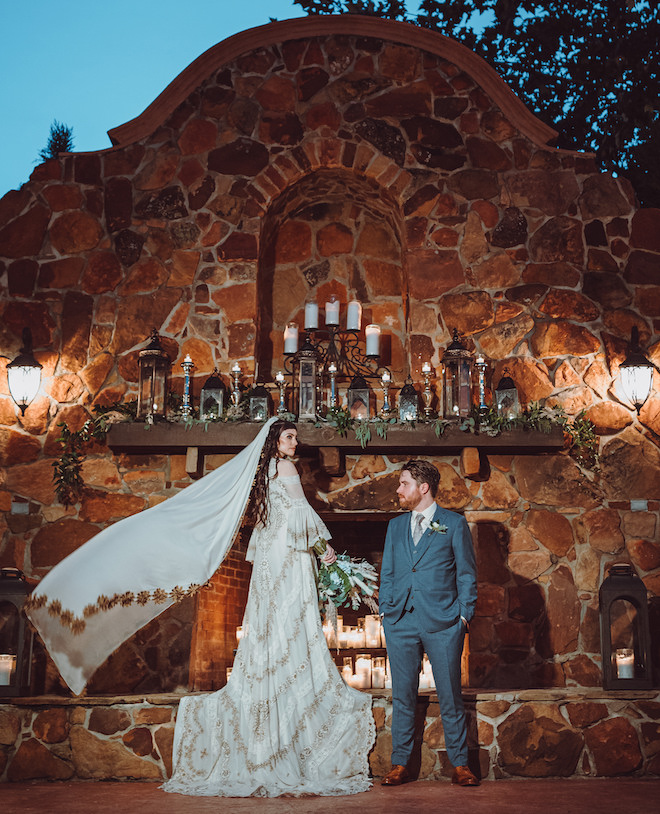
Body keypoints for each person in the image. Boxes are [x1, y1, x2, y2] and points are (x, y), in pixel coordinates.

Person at [162, 420, 375, 796]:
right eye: (290, 437)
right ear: (275, 441)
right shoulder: (286, 467)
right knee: (294, 623)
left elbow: (272, 521)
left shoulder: (261, 476)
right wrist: (323, 547)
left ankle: (268, 711)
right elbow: (300, 511)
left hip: (270, 561)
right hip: (289, 558)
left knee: (270, 627)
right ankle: (296, 710)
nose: (296, 443)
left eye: (295, 437)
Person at [379, 459, 479, 787]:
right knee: (403, 695)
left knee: (450, 694)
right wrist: (384, 610)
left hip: (444, 623)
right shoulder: (395, 527)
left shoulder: (454, 523)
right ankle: (399, 764)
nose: (398, 489)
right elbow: (390, 572)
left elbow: (466, 573)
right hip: (400, 621)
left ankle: (461, 765)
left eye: (404, 483)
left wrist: (463, 616)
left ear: (423, 488)